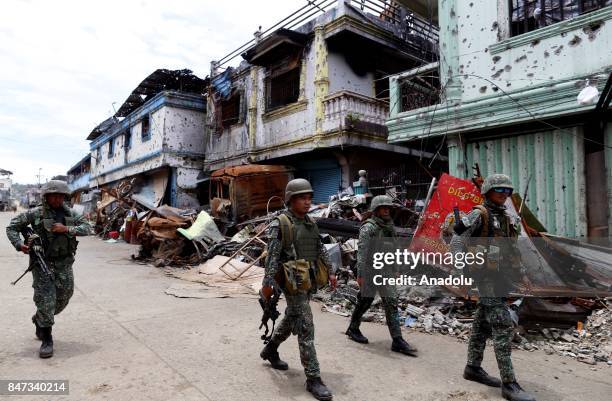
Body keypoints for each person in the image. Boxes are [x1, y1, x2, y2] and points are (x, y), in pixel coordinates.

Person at [450, 174, 536, 401]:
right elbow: (457, 240)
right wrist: (458, 272)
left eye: (508, 191)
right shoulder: (479, 214)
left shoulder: (505, 218)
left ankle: (472, 368)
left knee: (481, 324)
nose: (504, 194)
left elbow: (512, 250)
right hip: (484, 277)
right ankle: (509, 383)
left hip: (501, 277)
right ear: (487, 191)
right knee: (502, 324)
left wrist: (523, 274)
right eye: (499, 190)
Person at [259, 178, 336, 401]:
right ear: (291, 199)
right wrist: (268, 285)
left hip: (308, 279)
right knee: (306, 326)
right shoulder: (281, 223)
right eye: (302, 198)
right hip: (291, 281)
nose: (307, 201)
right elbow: (272, 257)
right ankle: (313, 377)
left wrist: (330, 272)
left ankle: (270, 349)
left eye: (309, 197)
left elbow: (320, 248)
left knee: (293, 317)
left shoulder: (310, 222)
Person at [6, 180, 91, 358]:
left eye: (60, 196)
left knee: (64, 296)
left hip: (64, 263)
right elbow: (12, 227)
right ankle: (47, 338)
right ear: (46, 197)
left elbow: (87, 228)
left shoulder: (70, 213)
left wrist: (66, 228)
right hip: (42, 263)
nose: (57, 199)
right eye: (54, 195)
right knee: (46, 300)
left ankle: (39, 318)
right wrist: (19, 244)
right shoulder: (36, 213)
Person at [345, 195, 418, 356]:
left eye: (388, 208)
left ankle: (397, 340)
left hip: (386, 271)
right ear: (376, 210)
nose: (386, 210)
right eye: (383, 208)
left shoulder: (389, 227)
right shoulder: (369, 228)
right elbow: (362, 252)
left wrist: (397, 268)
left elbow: (395, 248)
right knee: (365, 301)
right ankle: (353, 328)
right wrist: (361, 274)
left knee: (391, 302)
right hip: (371, 271)